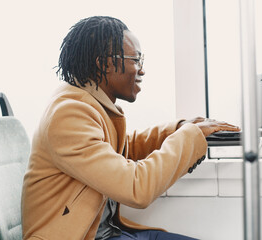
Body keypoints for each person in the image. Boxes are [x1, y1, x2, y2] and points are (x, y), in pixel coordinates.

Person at [21, 16, 239, 240]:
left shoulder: (86, 102)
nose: (142, 70)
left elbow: (123, 147)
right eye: (136, 59)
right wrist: (188, 138)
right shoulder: (68, 116)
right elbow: (137, 189)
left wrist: (179, 128)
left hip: (108, 233)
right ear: (104, 63)